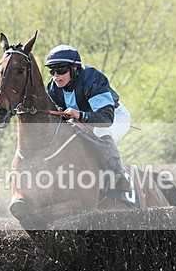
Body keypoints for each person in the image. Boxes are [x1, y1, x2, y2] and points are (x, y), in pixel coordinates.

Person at [44, 44, 132, 192]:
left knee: (101, 132)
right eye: (52, 71)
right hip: (85, 121)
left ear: (75, 69)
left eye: (61, 70)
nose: (56, 76)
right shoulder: (53, 88)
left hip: (114, 116)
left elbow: (106, 119)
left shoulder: (92, 79)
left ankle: (118, 175)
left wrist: (80, 115)